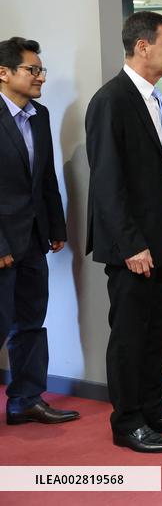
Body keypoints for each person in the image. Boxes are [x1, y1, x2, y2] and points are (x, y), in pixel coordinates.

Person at [85, 11, 162, 453]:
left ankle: (155, 407)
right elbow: (107, 181)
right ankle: (127, 420)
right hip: (132, 245)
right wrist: (131, 242)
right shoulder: (112, 100)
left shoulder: (153, 99)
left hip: (157, 236)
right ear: (142, 46)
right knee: (130, 334)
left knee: (156, 330)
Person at [0, 37, 79, 426]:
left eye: (40, 70)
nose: (40, 77)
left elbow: (46, 178)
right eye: (33, 70)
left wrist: (55, 227)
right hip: (1, 242)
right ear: (4, 73)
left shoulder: (40, 114)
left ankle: (26, 399)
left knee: (31, 321)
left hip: (33, 238)